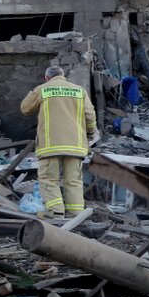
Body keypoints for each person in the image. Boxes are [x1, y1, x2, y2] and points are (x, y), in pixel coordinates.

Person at [20, 65, 98, 219]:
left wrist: (35, 91)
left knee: (49, 180)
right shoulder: (79, 91)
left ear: (47, 78)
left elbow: (25, 108)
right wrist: (89, 133)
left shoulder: (43, 89)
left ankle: (56, 213)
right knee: (74, 181)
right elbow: (90, 116)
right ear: (64, 76)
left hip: (51, 145)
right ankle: (76, 213)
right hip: (75, 146)